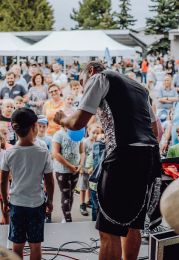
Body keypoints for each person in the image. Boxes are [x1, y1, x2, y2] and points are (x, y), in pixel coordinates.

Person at [53, 61, 161, 260]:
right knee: (133, 223)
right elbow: (156, 132)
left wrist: (61, 119)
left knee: (109, 229)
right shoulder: (138, 87)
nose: (84, 88)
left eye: (82, 82)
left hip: (124, 157)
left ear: (91, 71)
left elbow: (77, 122)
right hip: (150, 157)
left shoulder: (100, 77)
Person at [0, 107, 54, 260]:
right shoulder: (43, 153)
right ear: (34, 127)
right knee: (35, 244)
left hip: (16, 204)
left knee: (17, 244)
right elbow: (50, 181)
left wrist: (5, 201)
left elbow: (3, 180)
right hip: (37, 205)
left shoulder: (9, 153)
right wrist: (49, 201)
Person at [52, 120, 85, 222]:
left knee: (70, 193)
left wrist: (80, 165)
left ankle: (66, 215)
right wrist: (69, 166)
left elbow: (82, 151)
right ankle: (68, 219)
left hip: (75, 170)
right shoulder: (58, 134)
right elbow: (55, 153)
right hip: (62, 170)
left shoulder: (78, 133)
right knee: (66, 194)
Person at [79, 123, 101, 216]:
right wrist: (81, 167)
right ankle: (82, 204)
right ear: (88, 132)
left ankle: (89, 200)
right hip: (85, 168)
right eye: (93, 133)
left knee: (90, 185)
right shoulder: (85, 142)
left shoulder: (98, 142)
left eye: (97, 133)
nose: (95, 135)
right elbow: (81, 154)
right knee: (83, 186)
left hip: (93, 169)